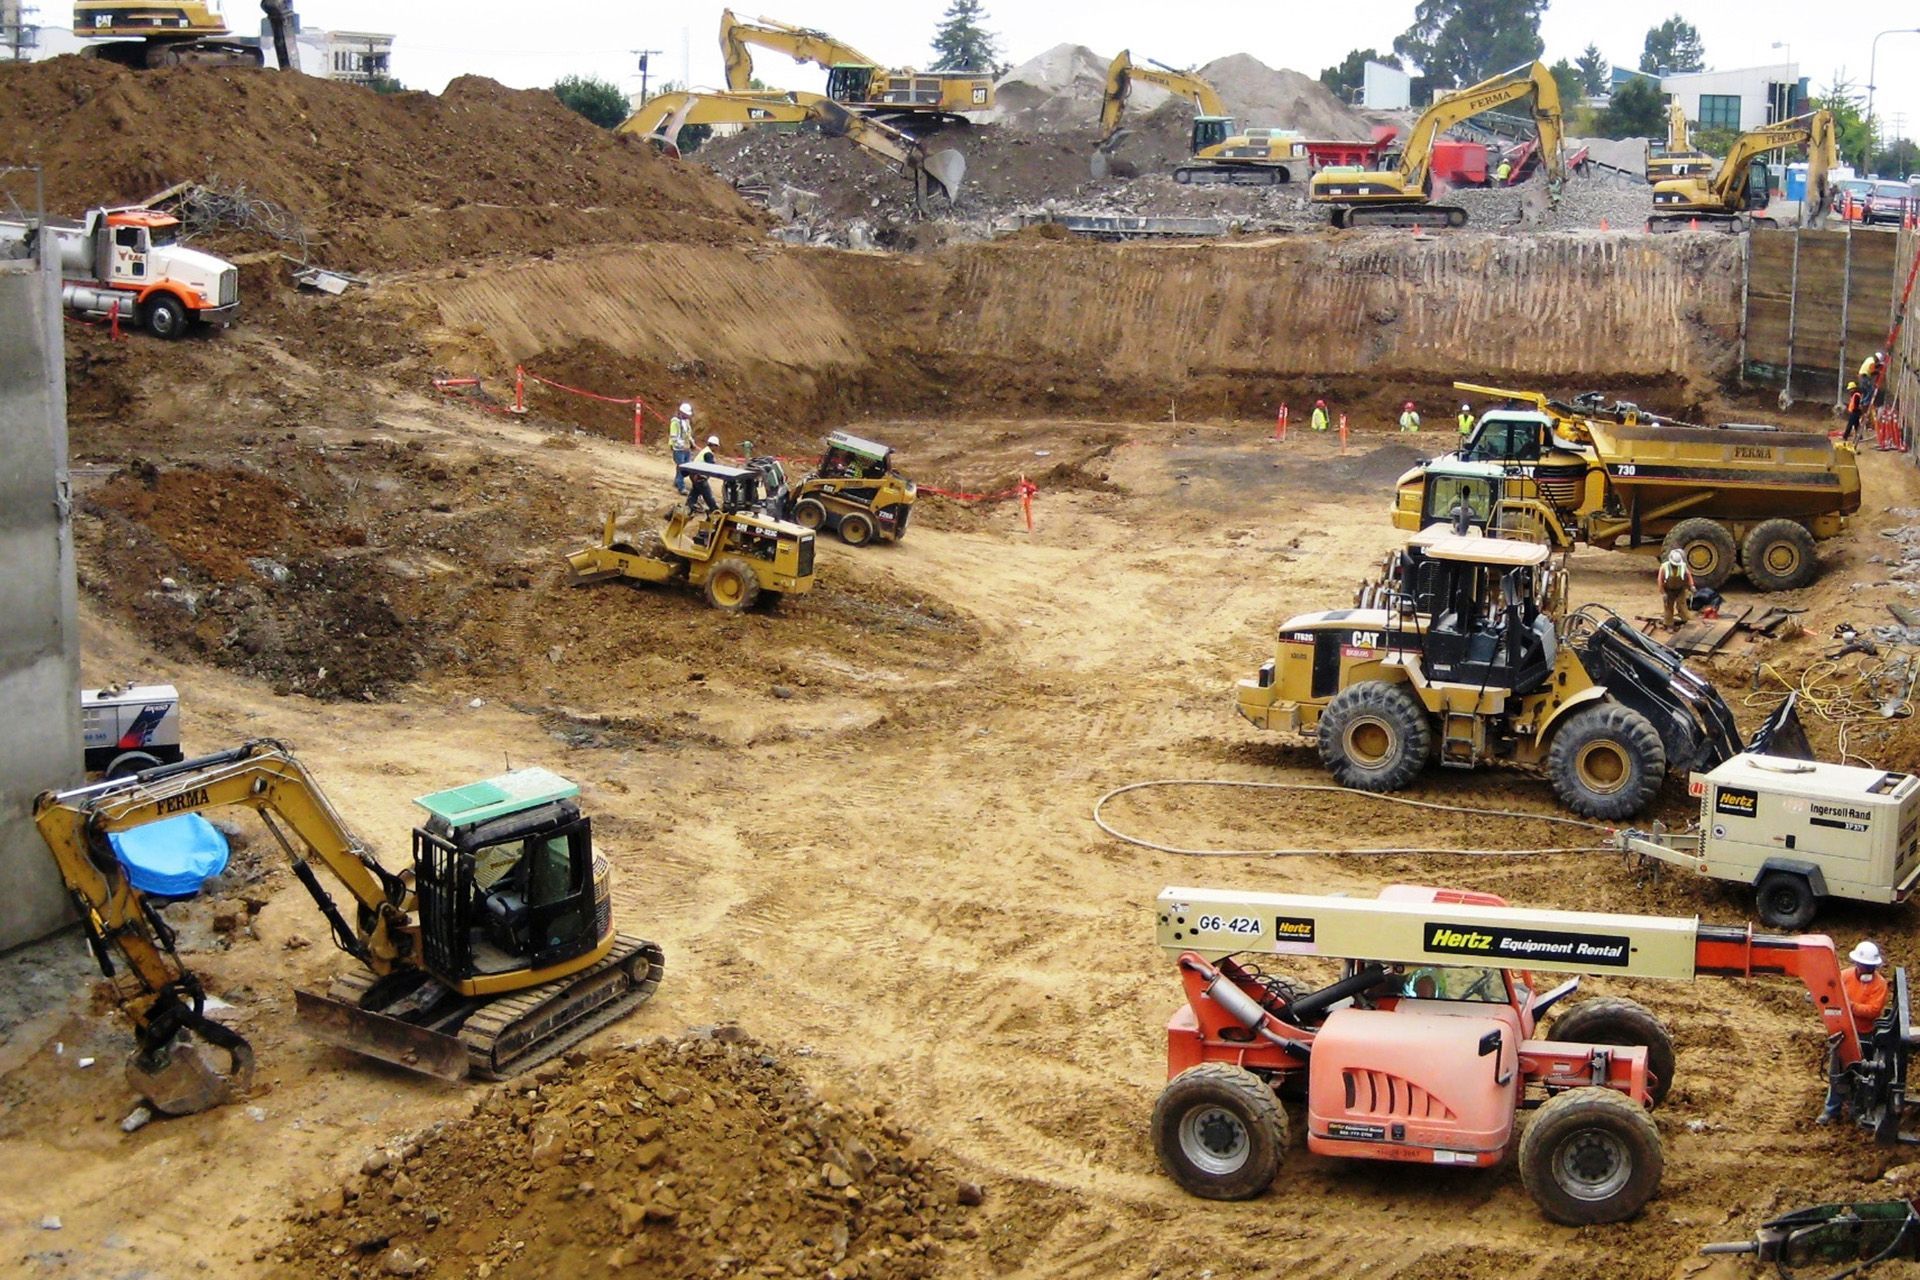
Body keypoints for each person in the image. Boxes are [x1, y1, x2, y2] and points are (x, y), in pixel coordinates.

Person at [1820, 940, 1890, 1123]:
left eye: (1870, 966)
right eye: (1863, 965)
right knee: (1837, 1072)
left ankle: (1856, 1110)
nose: (1866, 969)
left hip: (1864, 1035)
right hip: (1843, 1032)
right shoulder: (1844, 976)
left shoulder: (1880, 985)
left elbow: (1873, 1011)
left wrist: (1850, 1006)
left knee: (1861, 1074)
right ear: (1857, 963)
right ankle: (1831, 1110)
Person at [1659, 548, 1693, 627]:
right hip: (1668, 591)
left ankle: (1686, 621)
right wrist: (1663, 593)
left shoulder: (1682, 566)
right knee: (1668, 607)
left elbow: (1688, 575)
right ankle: (1668, 624)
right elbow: (1660, 581)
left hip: (1680, 590)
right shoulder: (1664, 567)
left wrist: (1691, 586)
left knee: (1682, 605)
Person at [687, 435, 720, 514]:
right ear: (714, 445)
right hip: (699, 476)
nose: (717, 448)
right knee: (707, 494)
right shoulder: (708, 453)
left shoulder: (705, 451)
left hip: (694, 474)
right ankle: (714, 510)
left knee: (695, 492)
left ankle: (689, 506)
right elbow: (711, 466)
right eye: (716, 446)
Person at [668, 403, 695, 494]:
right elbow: (674, 437)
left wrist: (691, 442)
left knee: (684, 466)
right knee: (682, 467)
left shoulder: (686, 422)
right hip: (679, 449)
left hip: (686, 448)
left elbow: (688, 434)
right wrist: (682, 445)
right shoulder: (675, 422)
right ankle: (681, 487)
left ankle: (677, 481)